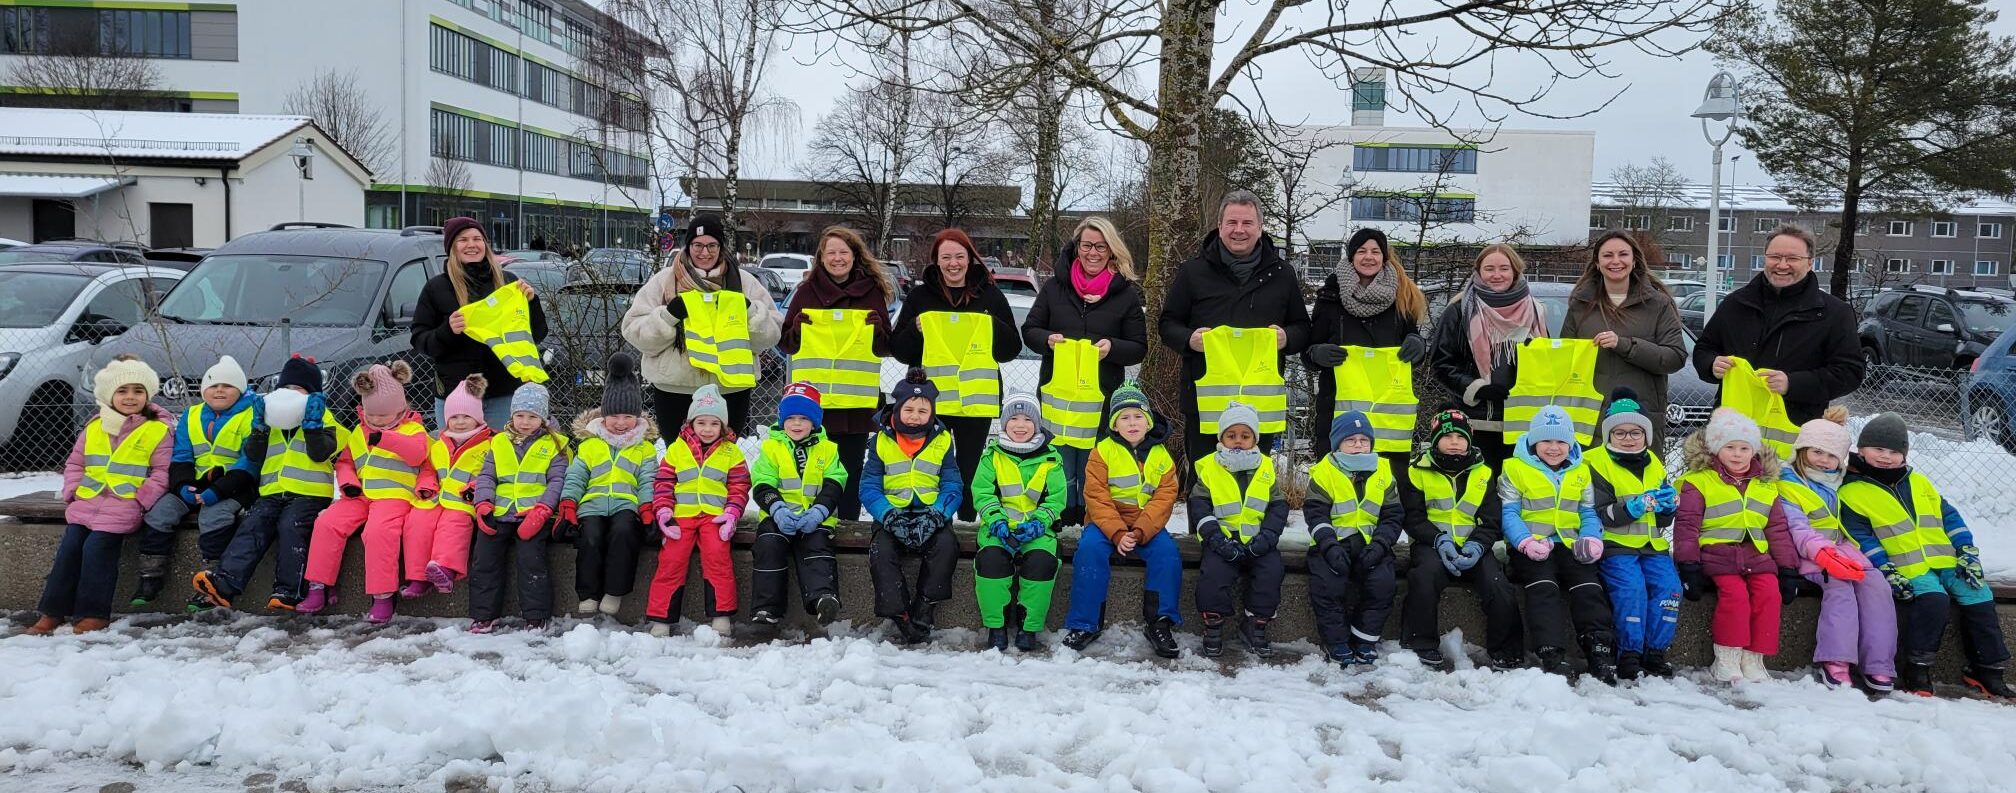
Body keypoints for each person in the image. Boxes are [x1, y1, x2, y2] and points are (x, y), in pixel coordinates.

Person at [1838, 412, 2012, 699]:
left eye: (1894, 451)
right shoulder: (1852, 492)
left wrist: (1966, 551)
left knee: (1979, 595)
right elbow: (1862, 538)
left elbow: (1950, 518)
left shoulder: (1919, 482)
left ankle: (1987, 668)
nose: (1885, 457)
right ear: (1861, 450)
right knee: (1934, 601)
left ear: (1904, 455)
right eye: (1878, 449)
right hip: (1906, 568)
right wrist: (1887, 570)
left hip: (1948, 562)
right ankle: (1917, 669)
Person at [1156, 190, 1311, 473]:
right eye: (1232, 222)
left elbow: (1303, 328)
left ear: (1260, 227)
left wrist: (1287, 338)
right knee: (1205, 486)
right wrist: (1188, 340)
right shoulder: (1193, 272)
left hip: (1259, 407)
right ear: (1219, 225)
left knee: (1255, 488)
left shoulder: (1282, 273)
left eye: (1247, 223)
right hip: (1205, 406)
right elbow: (1167, 324)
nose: (1239, 230)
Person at [27, 356, 171, 635]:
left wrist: (142, 499)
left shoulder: (157, 429)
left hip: (124, 505)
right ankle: (52, 612)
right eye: (123, 391)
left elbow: (161, 472)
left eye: (138, 391)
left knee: (97, 550)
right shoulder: (94, 427)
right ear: (109, 395)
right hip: (87, 502)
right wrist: (72, 490)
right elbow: (75, 463)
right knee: (69, 550)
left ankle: (93, 613)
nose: (130, 397)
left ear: (147, 395)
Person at [1022, 217, 1149, 524]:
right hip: (1058, 399)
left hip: (1102, 400)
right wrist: (1047, 340)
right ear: (1076, 248)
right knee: (1058, 469)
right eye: (1087, 245)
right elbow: (1030, 330)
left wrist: (1111, 348)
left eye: (1100, 246)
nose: (1093, 252)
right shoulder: (1055, 288)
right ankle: (1057, 522)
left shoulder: (1126, 295)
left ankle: (1092, 523)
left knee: (1094, 469)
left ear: (1111, 250)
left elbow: (1138, 346)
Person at [191, 356, 343, 612]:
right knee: (253, 524)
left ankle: (289, 590)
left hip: (310, 494)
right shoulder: (269, 419)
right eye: (287, 389)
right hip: (272, 492)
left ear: (312, 395)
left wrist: (313, 425)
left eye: (300, 390)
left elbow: (321, 453)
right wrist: (259, 428)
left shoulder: (324, 418)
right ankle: (225, 584)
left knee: (291, 526)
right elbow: (253, 455)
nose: (291, 395)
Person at [890, 228, 1021, 522]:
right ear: (936, 261)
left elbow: (1011, 349)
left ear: (970, 259)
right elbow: (898, 349)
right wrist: (915, 330)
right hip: (928, 402)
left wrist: (993, 327)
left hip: (975, 401)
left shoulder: (990, 295)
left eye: (959, 256)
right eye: (946, 257)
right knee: (930, 463)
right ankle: (931, 518)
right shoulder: (920, 296)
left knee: (969, 466)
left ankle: (967, 522)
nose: (953, 263)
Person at [621, 213, 784, 436]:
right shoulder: (664, 280)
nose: (704, 252)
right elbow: (632, 329)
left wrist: (750, 312)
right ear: (687, 246)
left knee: (724, 462)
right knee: (679, 462)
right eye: (697, 245)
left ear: (721, 247)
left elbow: (772, 334)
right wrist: (668, 317)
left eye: (711, 245)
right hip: (674, 390)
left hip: (731, 389)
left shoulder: (744, 282)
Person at [298, 362, 433, 623]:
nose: (377, 421)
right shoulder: (359, 431)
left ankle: (383, 596)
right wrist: (348, 481)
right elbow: (346, 462)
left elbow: (418, 454)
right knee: (327, 523)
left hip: (395, 496)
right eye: (372, 416)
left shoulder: (413, 429)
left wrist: (385, 438)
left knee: (379, 532)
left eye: (384, 416)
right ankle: (318, 586)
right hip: (359, 495)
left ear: (400, 409)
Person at [1673, 408, 1800, 685]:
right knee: (1735, 597)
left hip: (1757, 554)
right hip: (1717, 553)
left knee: (1769, 593)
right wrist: (1688, 564)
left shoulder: (1766, 486)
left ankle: (1754, 658)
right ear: (1717, 449)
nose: (1737, 454)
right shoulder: (1699, 482)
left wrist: (1788, 568)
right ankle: (1727, 658)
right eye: (1730, 447)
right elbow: (1687, 526)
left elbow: (1777, 529)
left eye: (1744, 448)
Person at [1693, 223, 1864, 425]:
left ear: (1810, 263)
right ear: (1765, 258)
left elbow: (1850, 372)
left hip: (1796, 433)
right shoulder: (1735, 303)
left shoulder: (1834, 313)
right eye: (1775, 257)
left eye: (1792, 258)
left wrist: (1792, 383)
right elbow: (1704, 348)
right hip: (1732, 435)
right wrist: (1711, 364)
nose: (1782, 265)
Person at [779, 226, 894, 522]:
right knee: (814, 470)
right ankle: (815, 523)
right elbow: (785, 342)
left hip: (855, 403)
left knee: (852, 468)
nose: (837, 258)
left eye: (844, 252)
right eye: (831, 252)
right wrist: (798, 329)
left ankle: (848, 524)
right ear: (821, 257)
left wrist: (878, 329)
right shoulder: (806, 291)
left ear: (855, 257)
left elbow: (885, 346)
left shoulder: (871, 293)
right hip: (815, 407)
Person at [1778, 408, 1896, 693]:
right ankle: (1836, 660)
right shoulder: (1788, 484)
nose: (1824, 460)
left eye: (1832, 455)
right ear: (1802, 449)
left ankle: (1879, 664)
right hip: (1809, 554)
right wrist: (1823, 554)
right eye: (1817, 452)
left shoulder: (1839, 479)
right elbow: (1796, 528)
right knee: (1840, 588)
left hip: (1842, 549)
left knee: (1876, 586)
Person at [1063, 381, 1182, 658]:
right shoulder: (1101, 452)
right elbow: (1096, 496)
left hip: (1146, 524)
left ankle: (1159, 623)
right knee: (1089, 551)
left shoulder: (1163, 456)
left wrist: (1139, 532)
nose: (1132, 423)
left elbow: (1165, 498)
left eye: (1138, 416)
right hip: (1106, 521)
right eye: (1124, 418)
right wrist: (1117, 532)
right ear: (1114, 425)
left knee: (1167, 555)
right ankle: (1085, 623)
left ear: (1149, 422)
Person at [1398, 408, 1523, 671]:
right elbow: (1413, 517)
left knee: (1498, 585)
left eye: (1460, 436)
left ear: (1469, 440)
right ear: (1435, 440)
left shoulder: (1484, 473)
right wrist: (1438, 540)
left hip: (1474, 545)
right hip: (1432, 544)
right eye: (1447, 436)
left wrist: (1477, 545)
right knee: (1424, 576)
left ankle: (1505, 649)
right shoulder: (1416, 471)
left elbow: (1492, 519)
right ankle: (1421, 641)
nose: (1454, 442)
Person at [1499, 404, 1617, 682]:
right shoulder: (1515, 468)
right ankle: (1552, 652)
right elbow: (1509, 512)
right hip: (1531, 545)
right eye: (1546, 441)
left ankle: (1599, 650)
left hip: (1569, 543)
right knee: (1544, 588)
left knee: (1588, 585)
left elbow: (1587, 511)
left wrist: (1590, 537)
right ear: (1533, 441)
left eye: (1561, 441)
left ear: (1571, 443)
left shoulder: (1580, 470)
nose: (1554, 448)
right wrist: (1524, 542)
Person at [130, 354, 256, 611]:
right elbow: (181, 456)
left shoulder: (252, 414)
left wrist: (217, 491)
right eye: (213, 385)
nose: (219, 390)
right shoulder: (192, 414)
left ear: (240, 390)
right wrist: (182, 486)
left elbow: (250, 462)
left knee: (213, 517)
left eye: (228, 386)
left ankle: (212, 583)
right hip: (195, 484)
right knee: (159, 513)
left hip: (236, 485)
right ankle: (150, 577)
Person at [1302, 228, 1429, 468]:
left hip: (1387, 412)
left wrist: (1418, 344)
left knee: (1388, 489)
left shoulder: (1402, 296)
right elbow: (1308, 351)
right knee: (1336, 485)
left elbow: (1413, 343)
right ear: (1351, 257)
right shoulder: (1330, 296)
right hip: (1338, 407)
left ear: (1384, 257)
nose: (1368, 257)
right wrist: (1317, 353)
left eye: (1375, 251)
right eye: (1361, 251)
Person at [412, 216, 549, 429]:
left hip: (502, 394)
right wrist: (447, 331)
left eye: (477, 238)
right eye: (463, 239)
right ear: (452, 247)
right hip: (456, 397)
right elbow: (420, 340)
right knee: (456, 458)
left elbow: (536, 335)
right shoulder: (436, 288)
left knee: (500, 457)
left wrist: (531, 303)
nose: (471, 245)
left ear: (485, 244)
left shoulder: (508, 283)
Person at [860, 371, 964, 645]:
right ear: (897, 408)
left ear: (932, 412)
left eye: (923, 410)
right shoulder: (881, 440)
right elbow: (868, 487)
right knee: (881, 552)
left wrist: (938, 514)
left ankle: (925, 605)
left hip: (931, 515)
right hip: (891, 516)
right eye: (908, 409)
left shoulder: (942, 440)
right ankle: (900, 614)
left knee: (946, 547)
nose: (915, 416)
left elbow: (953, 485)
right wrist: (888, 515)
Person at [1586, 388, 1682, 680]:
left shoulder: (1653, 462)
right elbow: (1601, 514)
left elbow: (1663, 519)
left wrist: (1669, 506)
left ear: (1646, 434)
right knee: (1632, 590)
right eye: (1620, 433)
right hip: (1615, 545)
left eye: (1636, 432)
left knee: (1670, 589)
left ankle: (1654, 652)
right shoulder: (1595, 462)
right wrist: (1634, 506)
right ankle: (1629, 652)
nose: (1629, 439)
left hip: (1651, 545)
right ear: (1609, 435)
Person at [1560, 232, 1687, 451]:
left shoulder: (1658, 304)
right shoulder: (1581, 305)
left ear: (1634, 260)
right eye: (1608, 255)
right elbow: (1564, 359)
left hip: (1640, 418)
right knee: (1593, 483)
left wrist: (1625, 345)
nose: (1615, 261)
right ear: (1598, 263)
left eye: (1623, 254)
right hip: (1591, 418)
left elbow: (1674, 357)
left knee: (1640, 483)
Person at [558, 353, 658, 619]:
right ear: (603, 417)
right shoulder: (590, 445)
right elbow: (576, 476)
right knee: (590, 537)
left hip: (627, 504)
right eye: (614, 416)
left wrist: (647, 507)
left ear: (637, 418)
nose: (621, 422)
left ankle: (614, 591)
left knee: (624, 533)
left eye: (628, 416)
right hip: (592, 504)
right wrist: (569, 502)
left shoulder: (644, 449)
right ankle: (589, 594)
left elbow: (648, 479)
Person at [645, 384, 748, 638]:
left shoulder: (731, 452)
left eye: (714, 424)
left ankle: (721, 614)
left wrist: (732, 513)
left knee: (718, 558)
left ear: (722, 426)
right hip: (681, 516)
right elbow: (664, 483)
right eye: (701, 422)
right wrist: (664, 512)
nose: (707, 429)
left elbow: (740, 485)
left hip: (715, 517)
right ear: (691, 423)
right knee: (671, 561)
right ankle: (662, 618)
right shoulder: (676, 450)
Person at [1431, 244, 1548, 465]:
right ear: (1479, 272)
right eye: (1489, 269)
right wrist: (1477, 388)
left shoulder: (1536, 310)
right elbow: (1440, 363)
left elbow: (1547, 363)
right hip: (1475, 423)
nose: (1496, 275)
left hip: (1524, 424)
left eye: (1504, 268)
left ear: (1515, 270)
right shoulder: (1459, 310)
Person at [1189, 402, 1289, 658]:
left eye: (1245, 436)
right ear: (1221, 437)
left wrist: (1267, 537)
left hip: (1258, 538)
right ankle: (1213, 626)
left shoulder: (1265, 466)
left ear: (1254, 438)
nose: (1238, 441)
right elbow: (1199, 506)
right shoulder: (1210, 467)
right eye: (1231, 435)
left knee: (1271, 572)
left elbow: (1278, 506)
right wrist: (1215, 538)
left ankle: (1255, 625)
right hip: (1222, 538)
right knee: (1213, 575)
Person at [1304, 411, 1404, 667]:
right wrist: (1328, 545)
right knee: (1327, 587)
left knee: (1382, 584)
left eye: (1364, 440)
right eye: (1351, 440)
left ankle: (1364, 638)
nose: (1359, 445)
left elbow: (1392, 516)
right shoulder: (1325, 472)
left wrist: (1381, 544)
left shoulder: (1383, 471)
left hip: (1372, 544)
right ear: (1338, 444)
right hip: (1332, 545)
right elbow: (1316, 515)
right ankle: (1336, 641)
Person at [470, 383, 570, 633]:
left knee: (531, 559)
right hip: (500, 511)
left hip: (534, 513)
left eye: (532, 416)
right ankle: (484, 615)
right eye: (519, 415)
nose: (525, 422)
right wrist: (483, 503)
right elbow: (487, 477)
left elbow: (558, 481)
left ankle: (536, 616)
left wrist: (544, 509)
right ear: (512, 415)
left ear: (543, 418)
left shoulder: (556, 444)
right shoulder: (499, 442)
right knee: (484, 559)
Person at [972, 393, 1067, 652]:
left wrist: (1040, 522)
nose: (1021, 425)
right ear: (1004, 424)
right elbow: (982, 493)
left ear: (1037, 424)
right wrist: (996, 521)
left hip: (1037, 531)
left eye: (1028, 419)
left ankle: (1028, 627)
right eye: (1014, 418)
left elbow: (1057, 498)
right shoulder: (992, 456)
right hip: (998, 530)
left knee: (1042, 563)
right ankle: (997, 626)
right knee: (991, 561)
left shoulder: (1051, 459)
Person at [748, 382, 845, 629]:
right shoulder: (771, 448)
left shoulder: (828, 449)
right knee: (769, 544)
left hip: (815, 516)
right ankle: (765, 609)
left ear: (815, 422)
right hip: (778, 515)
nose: (797, 424)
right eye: (791, 418)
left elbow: (835, 482)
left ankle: (823, 599)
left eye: (804, 418)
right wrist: (777, 509)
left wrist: (819, 511)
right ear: (782, 421)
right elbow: (762, 483)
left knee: (817, 546)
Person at [396, 375, 492, 602]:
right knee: (417, 521)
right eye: (454, 417)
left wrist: (474, 488)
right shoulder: (439, 444)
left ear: (478, 418)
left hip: (463, 501)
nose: (459, 422)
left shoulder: (489, 444)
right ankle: (418, 577)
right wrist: (426, 485)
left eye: (466, 416)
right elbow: (428, 469)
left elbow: (491, 474)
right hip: (435, 498)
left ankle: (445, 569)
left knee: (453, 525)